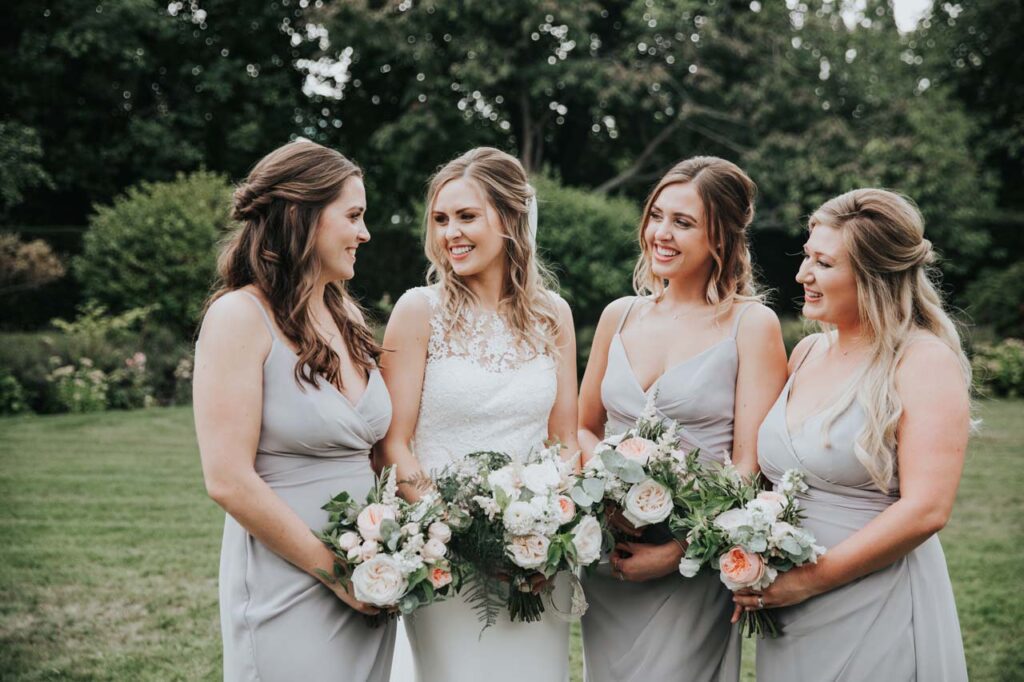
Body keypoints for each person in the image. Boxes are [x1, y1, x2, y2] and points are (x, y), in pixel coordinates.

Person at [743, 188, 970, 681]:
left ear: (873, 276)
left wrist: (808, 581)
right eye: (807, 257)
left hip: (873, 603)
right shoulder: (806, 354)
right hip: (791, 613)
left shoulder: (922, 361)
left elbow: (927, 509)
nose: (803, 275)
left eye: (823, 264)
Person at [577, 157, 788, 682]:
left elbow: (749, 464)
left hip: (691, 565)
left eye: (683, 222)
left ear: (721, 238)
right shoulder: (619, 315)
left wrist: (679, 550)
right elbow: (583, 426)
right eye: (656, 216)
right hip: (611, 558)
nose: (660, 234)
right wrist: (609, 495)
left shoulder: (751, 324)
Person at [193, 140, 395, 681]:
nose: (364, 234)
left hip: (368, 576)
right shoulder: (238, 317)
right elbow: (228, 480)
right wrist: (337, 574)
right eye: (353, 216)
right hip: (288, 580)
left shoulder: (345, 313)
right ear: (300, 215)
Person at [378, 147, 578, 682]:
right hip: (445, 557)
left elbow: (565, 438)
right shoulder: (418, 311)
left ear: (511, 220)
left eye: (467, 216)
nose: (451, 233)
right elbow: (393, 444)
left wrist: (548, 525)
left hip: (535, 558)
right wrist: (458, 532)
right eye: (441, 219)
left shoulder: (553, 316)